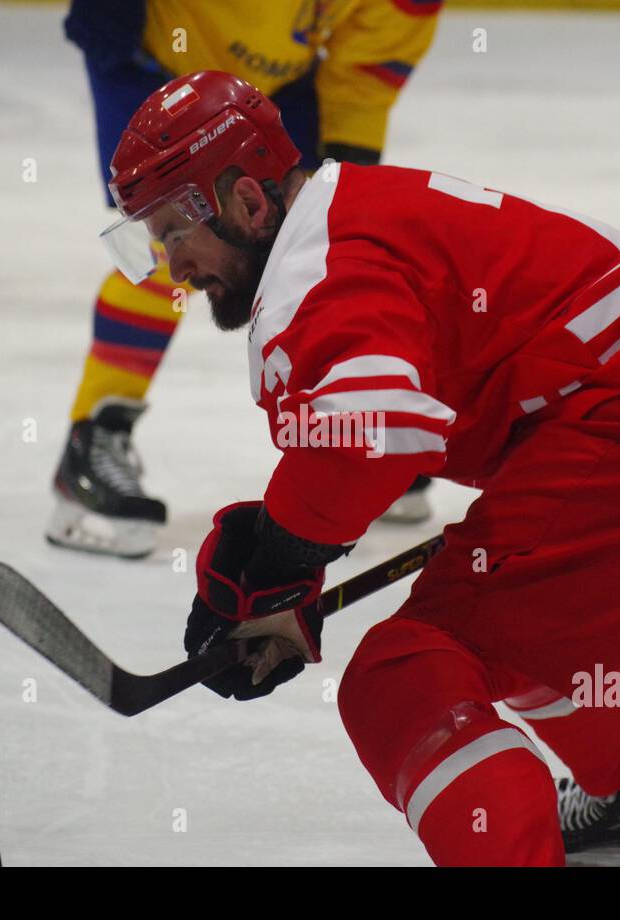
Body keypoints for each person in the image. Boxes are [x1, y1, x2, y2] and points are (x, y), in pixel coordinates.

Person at [102, 71, 620, 865]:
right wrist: (284, 573)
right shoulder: (348, 212)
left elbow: (371, 437)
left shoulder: (316, 270)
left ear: (247, 202)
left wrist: (277, 563)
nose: (171, 268)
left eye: (173, 232)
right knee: (505, 610)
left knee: (402, 673)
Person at [49, 0, 441, 558]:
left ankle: (348, 425)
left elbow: (368, 66)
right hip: (159, 60)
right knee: (178, 247)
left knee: (309, 228)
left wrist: (345, 177)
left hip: (272, 87)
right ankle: (94, 436)